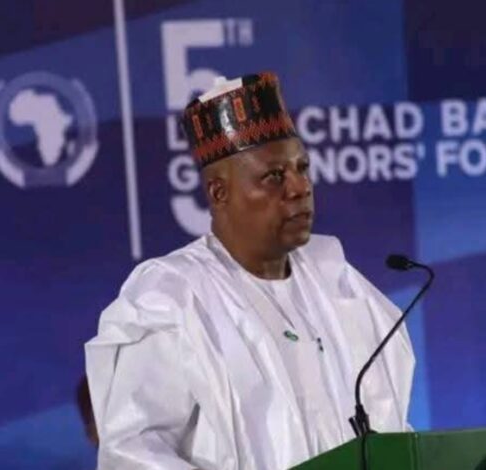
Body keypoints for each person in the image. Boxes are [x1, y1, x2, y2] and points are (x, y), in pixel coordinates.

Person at [85, 72, 415, 470]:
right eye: (273, 176)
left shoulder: (339, 284)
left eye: (302, 167)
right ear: (219, 192)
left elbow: (391, 430)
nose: (299, 187)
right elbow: (133, 454)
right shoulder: (172, 298)